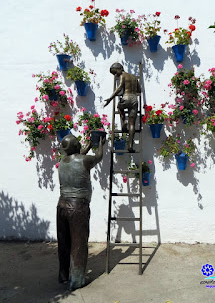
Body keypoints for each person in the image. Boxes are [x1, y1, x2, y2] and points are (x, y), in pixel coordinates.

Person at [57, 134, 104, 290]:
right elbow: (98, 157)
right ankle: (77, 280)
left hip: (62, 205)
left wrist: (89, 145)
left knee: (64, 241)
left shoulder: (62, 162)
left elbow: (78, 156)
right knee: (78, 243)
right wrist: (100, 144)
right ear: (76, 146)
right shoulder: (85, 161)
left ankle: (64, 274)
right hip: (78, 207)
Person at [104, 63, 141, 152]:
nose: (116, 75)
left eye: (115, 72)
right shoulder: (134, 77)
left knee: (119, 107)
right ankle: (130, 146)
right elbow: (139, 90)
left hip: (126, 98)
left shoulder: (122, 75)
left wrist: (110, 98)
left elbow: (119, 88)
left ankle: (124, 120)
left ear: (120, 68)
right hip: (134, 100)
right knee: (132, 124)